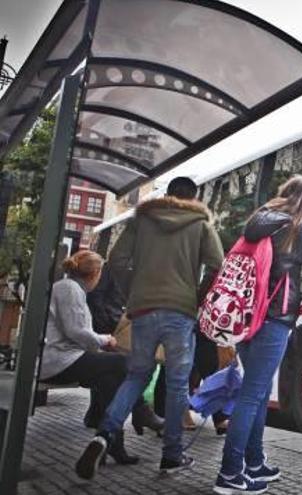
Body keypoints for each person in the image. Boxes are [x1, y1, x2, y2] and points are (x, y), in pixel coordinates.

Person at [76, 176, 224, 480]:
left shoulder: (142, 220)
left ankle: (103, 435)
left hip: (143, 310)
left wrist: (134, 291)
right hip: (180, 311)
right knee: (178, 383)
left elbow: (116, 260)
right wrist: (196, 297)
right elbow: (217, 265)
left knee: (136, 375)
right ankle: (171, 456)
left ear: (168, 195)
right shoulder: (200, 224)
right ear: (194, 198)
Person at [214, 175, 302, 494]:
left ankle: (253, 462)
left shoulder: (258, 222)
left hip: (246, 319)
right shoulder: (297, 230)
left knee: (256, 392)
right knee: (252, 395)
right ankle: (229, 473)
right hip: (273, 319)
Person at [41, 250, 143, 465]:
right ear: (95, 273)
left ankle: (110, 442)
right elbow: (77, 331)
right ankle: (141, 411)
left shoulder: (68, 287)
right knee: (122, 362)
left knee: (109, 381)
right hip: (59, 360)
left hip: (63, 357)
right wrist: (106, 340)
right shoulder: (71, 290)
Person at [83, 267, 164, 434]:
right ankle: (139, 412)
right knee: (127, 370)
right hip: (112, 329)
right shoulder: (111, 269)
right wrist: (108, 329)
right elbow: (96, 298)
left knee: (119, 372)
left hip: (122, 326)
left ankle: (98, 415)